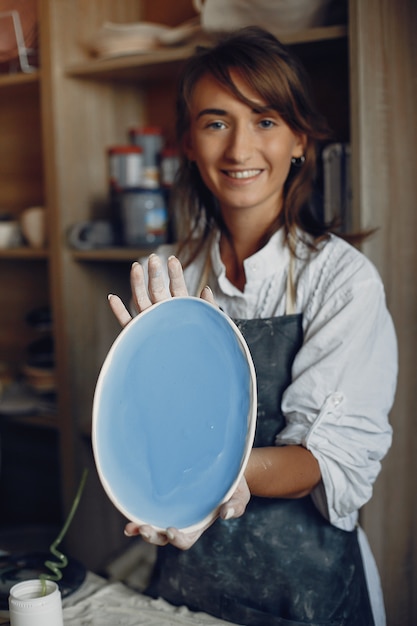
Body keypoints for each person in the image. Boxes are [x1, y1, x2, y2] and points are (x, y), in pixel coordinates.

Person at [108, 26, 397, 626]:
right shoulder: (173, 274)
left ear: (301, 139)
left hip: (309, 589)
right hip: (186, 579)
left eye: (265, 121)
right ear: (188, 142)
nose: (239, 149)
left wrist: (227, 480)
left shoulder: (342, 280)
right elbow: (157, 430)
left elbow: (328, 458)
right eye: (216, 122)